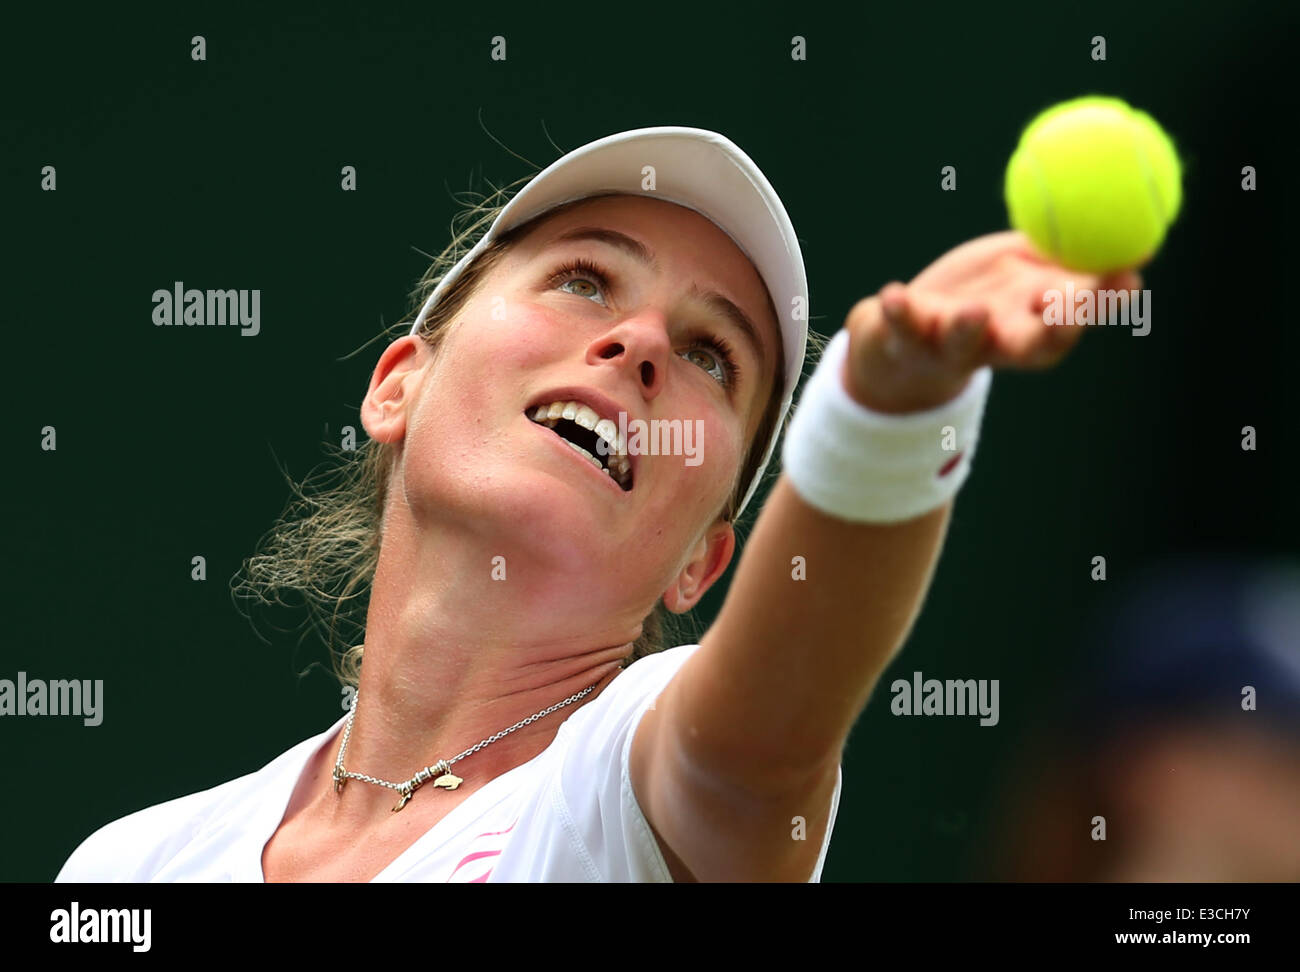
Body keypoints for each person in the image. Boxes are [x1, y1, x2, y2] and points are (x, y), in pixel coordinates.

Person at [54, 126, 1141, 882]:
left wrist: (891, 409)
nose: (642, 343)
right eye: (584, 279)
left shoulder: (626, 795)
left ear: (702, 566)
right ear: (399, 384)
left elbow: (757, 751)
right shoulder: (125, 872)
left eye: (714, 352)